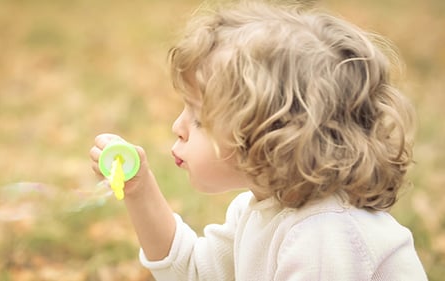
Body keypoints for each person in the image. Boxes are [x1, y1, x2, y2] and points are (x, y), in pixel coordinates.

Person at [90, 1, 427, 280]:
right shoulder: (260, 211)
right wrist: (140, 189)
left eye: (199, 117)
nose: (178, 126)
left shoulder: (324, 234)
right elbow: (191, 272)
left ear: (268, 135)